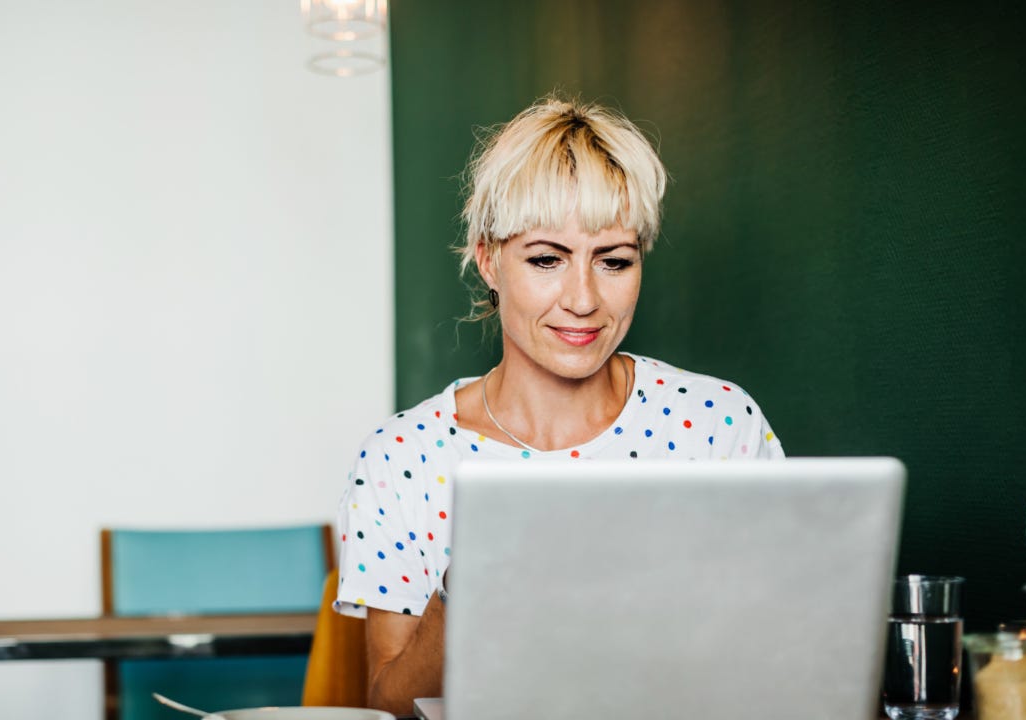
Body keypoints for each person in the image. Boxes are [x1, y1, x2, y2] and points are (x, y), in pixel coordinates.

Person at [333, 96, 785, 716]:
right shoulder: (401, 458)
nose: (583, 299)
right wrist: (470, 578)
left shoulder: (718, 424)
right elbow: (389, 704)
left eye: (614, 261)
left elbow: (783, 655)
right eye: (546, 259)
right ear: (488, 260)